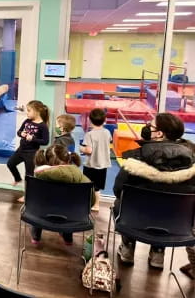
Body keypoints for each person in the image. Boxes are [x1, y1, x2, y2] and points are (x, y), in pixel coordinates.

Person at [114, 113, 195, 270]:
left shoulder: (136, 159)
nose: (146, 129)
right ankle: (158, 252)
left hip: (135, 220)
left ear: (159, 133)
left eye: (150, 126)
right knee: (167, 205)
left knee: (122, 202)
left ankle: (128, 247)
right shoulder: (191, 162)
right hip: (175, 224)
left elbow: (117, 190)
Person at [29, 144, 91, 245]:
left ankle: (36, 236)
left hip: (43, 213)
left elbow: (31, 199)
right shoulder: (80, 177)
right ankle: (68, 238)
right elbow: (90, 201)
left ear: (47, 161)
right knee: (69, 205)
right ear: (68, 160)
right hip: (72, 216)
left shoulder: (39, 176)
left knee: (40, 204)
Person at [7, 100, 49, 203]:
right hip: (21, 150)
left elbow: (45, 141)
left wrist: (33, 139)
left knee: (29, 175)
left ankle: (27, 196)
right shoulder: (27, 121)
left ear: (37, 111)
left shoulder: (43, 126)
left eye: (29, 111)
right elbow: (19, 132)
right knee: (10, 163)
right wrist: (22, 134)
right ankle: (17, 178)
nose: (27, 113)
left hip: (31, 153)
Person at [80, 108, 111, 211]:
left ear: (90, 120)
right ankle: (96, 204)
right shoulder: (107, 132)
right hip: (103, 164)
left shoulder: (90, 134)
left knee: (88, 185)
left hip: (91, 164)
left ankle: (89, 203)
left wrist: (81, 148)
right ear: (104, 120)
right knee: (97, 187)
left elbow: (88, 150)